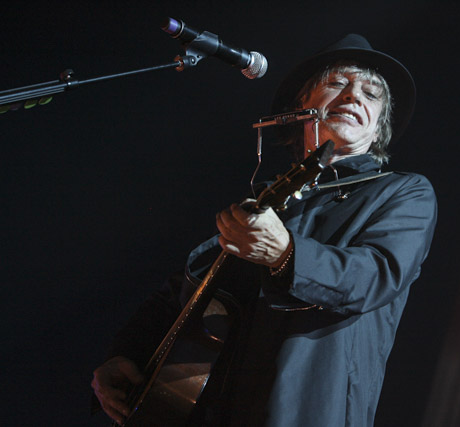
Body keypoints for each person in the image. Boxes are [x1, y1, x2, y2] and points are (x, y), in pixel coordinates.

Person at [92, 34, 437, 426]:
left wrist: (286, 254)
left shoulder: (402, 191)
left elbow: (377, 275)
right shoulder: (266, 197)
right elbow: (181, 295)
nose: (354, 96)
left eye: (371, 94)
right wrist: (123, 354)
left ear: (377, 131)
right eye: (338, 83)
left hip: (302, 409)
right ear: (300, 108)